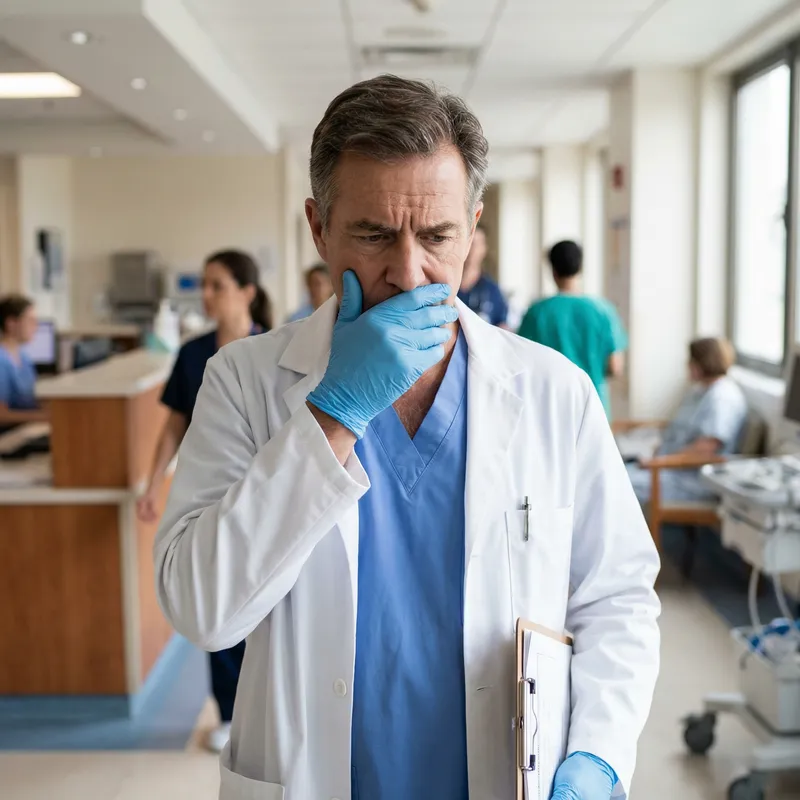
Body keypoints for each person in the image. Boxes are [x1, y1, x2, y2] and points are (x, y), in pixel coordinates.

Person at [154, 75, 660, 800]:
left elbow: (617, 597)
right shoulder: (244, 382)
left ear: (473, 230)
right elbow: (204, 610)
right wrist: (332, 415)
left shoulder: (554, 393)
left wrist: (600, 753)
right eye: (373, 233)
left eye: (437, 236)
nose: (408, 271)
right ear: (318, 227)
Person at [137, 249, 271, 754]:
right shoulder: (193, 354)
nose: (208, 296)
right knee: (217, 600)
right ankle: (229, 711)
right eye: (206, 286)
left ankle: (264, 706)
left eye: (218, 285)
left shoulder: (273, 347)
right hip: (210, 496)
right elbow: (174, 425)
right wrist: (153, 485)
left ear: (247, 292)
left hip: (262, 496)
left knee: (265, 607)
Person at [626, 337, 748, 505]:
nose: (687, 365)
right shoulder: (700, 391)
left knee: (615, 486)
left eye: (691, 360)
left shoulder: (722, 398)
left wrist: (658, 462)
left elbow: (706, 449)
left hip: (690, 478)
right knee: (610, 476)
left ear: (702, 363)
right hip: (668, 468)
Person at [518, 240, 627, 417]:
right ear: (581, 268)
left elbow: (522, 362)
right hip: (593, 406)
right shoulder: (603, 311)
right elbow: (615, 366)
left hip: (550, 407)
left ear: (552, 271)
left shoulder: (537, 313)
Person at [0, 295, 48, 430]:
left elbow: (32, 398)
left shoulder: (23, 356)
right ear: (11, 323)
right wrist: (44, 417)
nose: (36, 326)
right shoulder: (1, 360)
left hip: (26, 427)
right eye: (30, 321)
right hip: (9, 433)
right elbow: (1, 415)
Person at [456, 226, 509, 327]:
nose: (471, 249)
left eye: (476, 244)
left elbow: (502, 327)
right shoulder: (445, 286)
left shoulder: (493, 291)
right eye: (468, 243)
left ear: (484, 249)